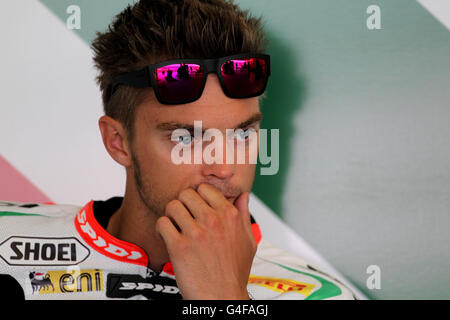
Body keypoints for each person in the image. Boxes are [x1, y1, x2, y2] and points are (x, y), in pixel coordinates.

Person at [0, 0, 356, 300]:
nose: (224, 167)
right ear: (118, 142)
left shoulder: (318, 293)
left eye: (242, 133)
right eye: (187, 138)